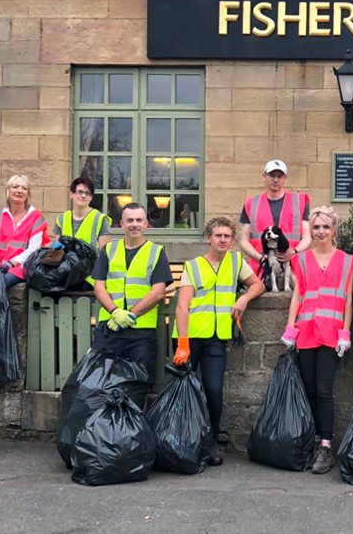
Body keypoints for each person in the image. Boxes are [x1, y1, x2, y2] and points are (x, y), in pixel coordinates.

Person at [173, 217, 265, 466]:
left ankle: (211, 440)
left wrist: (243, 299)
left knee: (213, 390)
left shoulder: (236, 262)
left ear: (232, 240)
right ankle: (181, 439)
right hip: (190, 337)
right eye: (218, 235)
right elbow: (182, 306)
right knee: (184, 390)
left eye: (227, 236)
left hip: (216, 337)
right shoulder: (193, 265)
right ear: (208, 238)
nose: (223, 240)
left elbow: (258, 284)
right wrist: (183, 343)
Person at [281, 206, 353, 474]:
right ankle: (313, 441)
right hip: (306, 330)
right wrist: (290, 327)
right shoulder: (300, 260)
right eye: (316, 227)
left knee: (324, 390)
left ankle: (326, 445)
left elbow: (347, 298)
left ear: (334, 229)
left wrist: (345, 331)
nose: (321, 232)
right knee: (309, 389)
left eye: (325, 227)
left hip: (332, 332)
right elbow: (298, 294)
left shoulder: (348, 261)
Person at [91, 202, 172, 384]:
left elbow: (158, 292)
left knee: (137, 385)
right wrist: (115, 312)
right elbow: (99, 287)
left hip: (141, 332)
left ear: (145, 224)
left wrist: (130, 314)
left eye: (138, 220)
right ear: (122, 224)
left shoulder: (156, 252)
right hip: (110, 328)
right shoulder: (108, 250)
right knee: (99, 382)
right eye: (130, 220)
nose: (134, 224)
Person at [239, 159, 311, 275]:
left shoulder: (300, 202)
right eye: (272, 175)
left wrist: (294, 252)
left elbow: (307, 237)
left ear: (285, 178)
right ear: (264, 176)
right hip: (262, 269)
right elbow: (243, 240)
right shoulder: (251, 204)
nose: (276, 180)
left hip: (292, 267)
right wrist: (261, 258)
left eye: (280, 176)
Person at [53, 176, 112, 287]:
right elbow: (56, 250)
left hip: (89, 276)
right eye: (80, 192)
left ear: (91, 198)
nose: (83, 196)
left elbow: (104, 254)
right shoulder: (62, 219)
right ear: (71, 194)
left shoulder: (100, 219)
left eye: (87, 193)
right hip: (65, 272)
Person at [0, 174, 50, 288]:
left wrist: (11, 262)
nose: (19, 191)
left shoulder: (36, 217)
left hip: (22, 267)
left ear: (28, 194)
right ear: (8, 191)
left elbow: (34, 249)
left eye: (24, 188)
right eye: (15, 187)